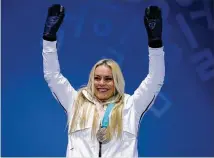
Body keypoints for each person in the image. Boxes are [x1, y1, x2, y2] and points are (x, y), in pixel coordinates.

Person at [42, 4, 165, 158]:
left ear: (117, 81)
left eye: (108, 79)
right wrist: (49, 38)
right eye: (97, 78)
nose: (101, 83)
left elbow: (155, 79)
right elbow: (52, 75)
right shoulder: (75, 102)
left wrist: (155, 43)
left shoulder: (131, 106)